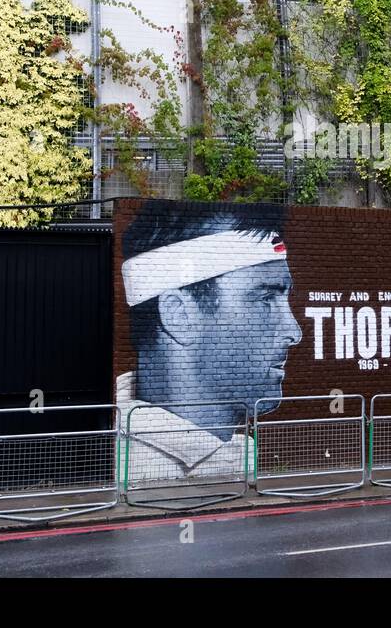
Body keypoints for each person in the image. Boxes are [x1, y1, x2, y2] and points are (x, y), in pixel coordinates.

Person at [118, 201, 302, 481]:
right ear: (178, 315)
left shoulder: (232, 452)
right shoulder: (144, 469)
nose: (294, 332)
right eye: (265, 298)